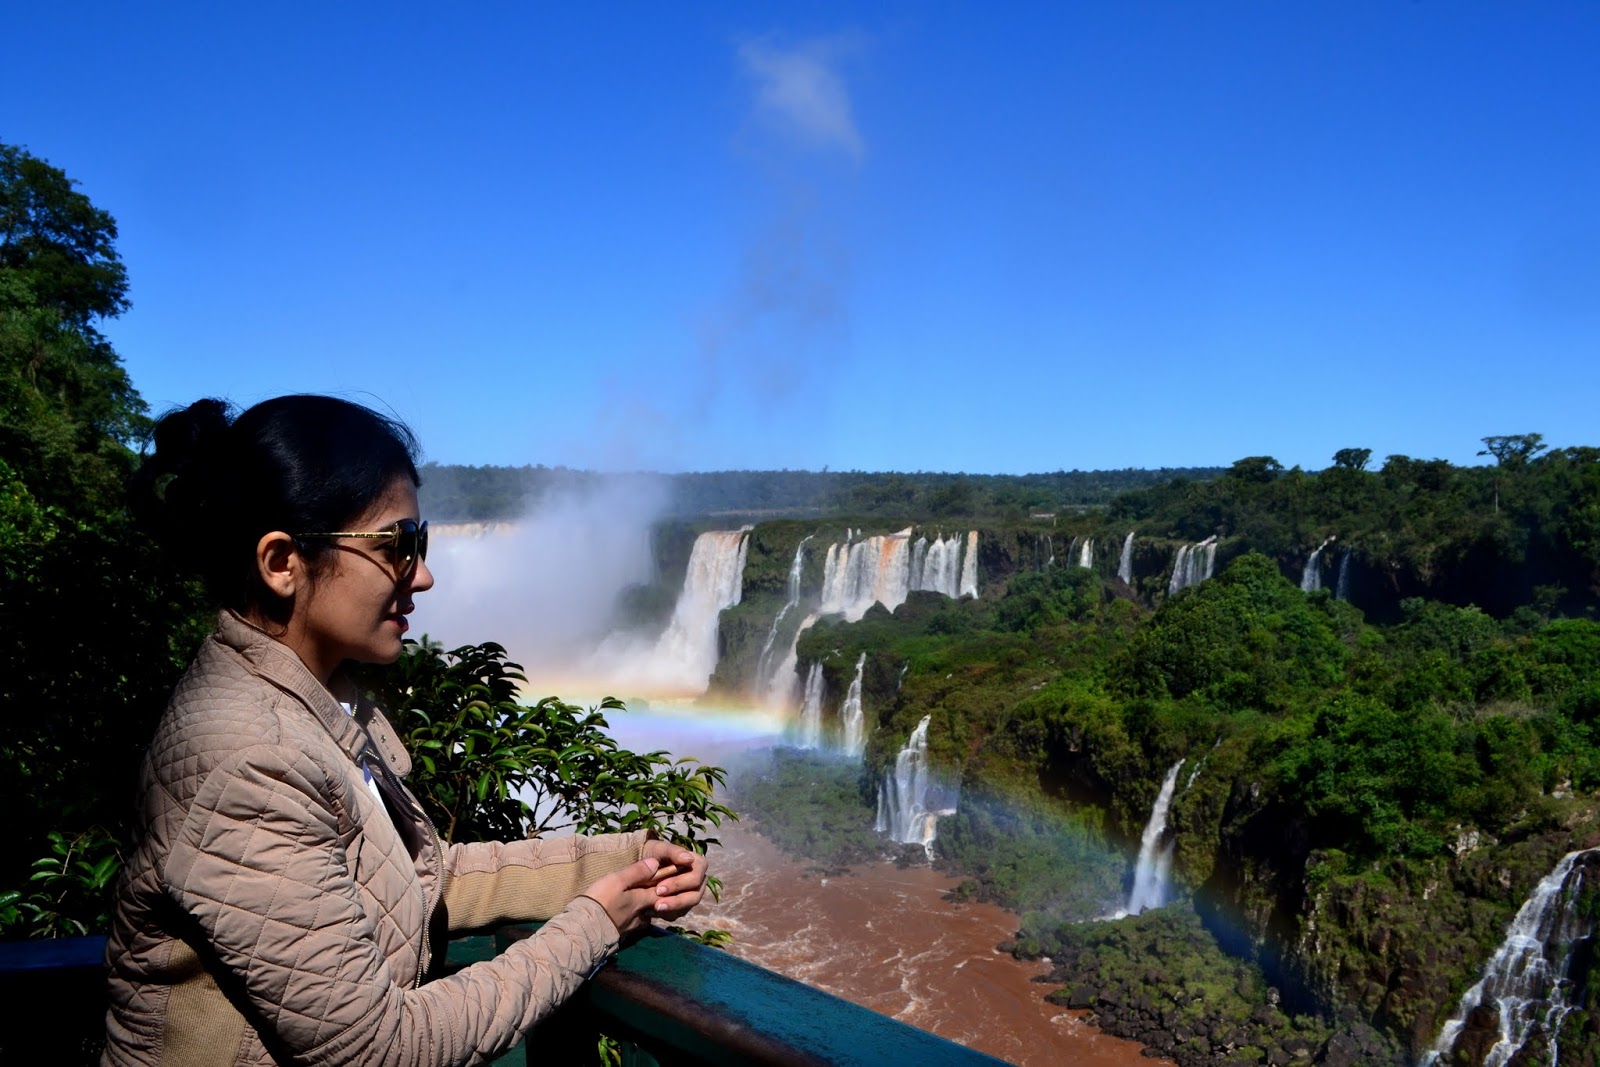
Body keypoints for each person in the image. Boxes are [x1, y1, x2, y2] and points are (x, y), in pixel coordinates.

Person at [104, 395, 708, 1066]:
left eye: (422, 542)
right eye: (397, 545)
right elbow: (377, 1049)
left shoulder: (314, 705)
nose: (423, 575)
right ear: (281, 562)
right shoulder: (249, 759)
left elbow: (420, 878)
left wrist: (623, 860)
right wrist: (593, 926)